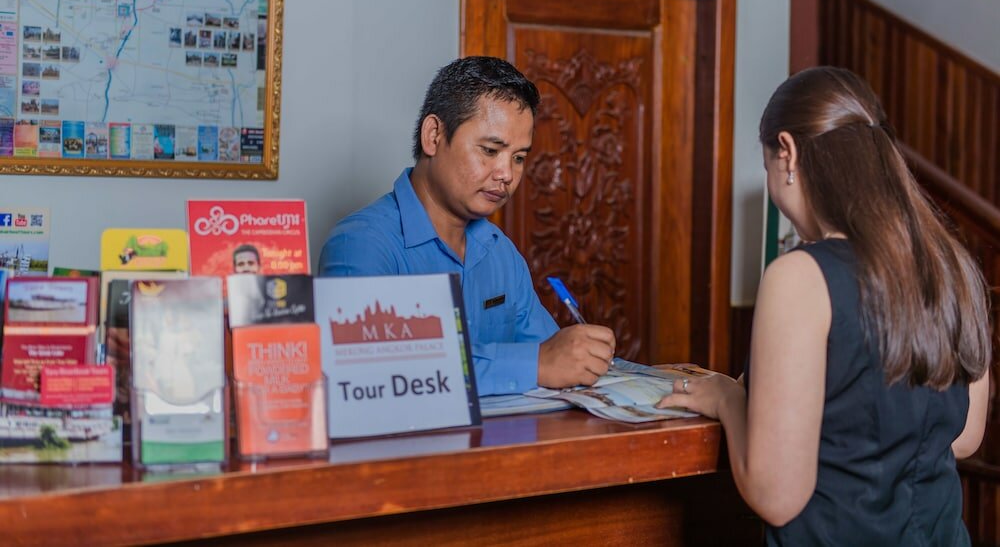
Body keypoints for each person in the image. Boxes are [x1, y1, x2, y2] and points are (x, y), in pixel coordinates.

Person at [658, 67, 991, 545]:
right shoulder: (955, 265)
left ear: (787, 152)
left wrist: (729, 399)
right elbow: (963, 437)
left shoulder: (801, 277)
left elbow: (777, 496)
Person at [318, 56, 616, 396]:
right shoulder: (362, 245)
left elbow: (556, 355)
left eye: (519, 158)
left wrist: (603, 362)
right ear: (433, 136)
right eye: (490, 150)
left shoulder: (500, 251)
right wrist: (535, 364)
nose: (507, 174)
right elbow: (368, 372)